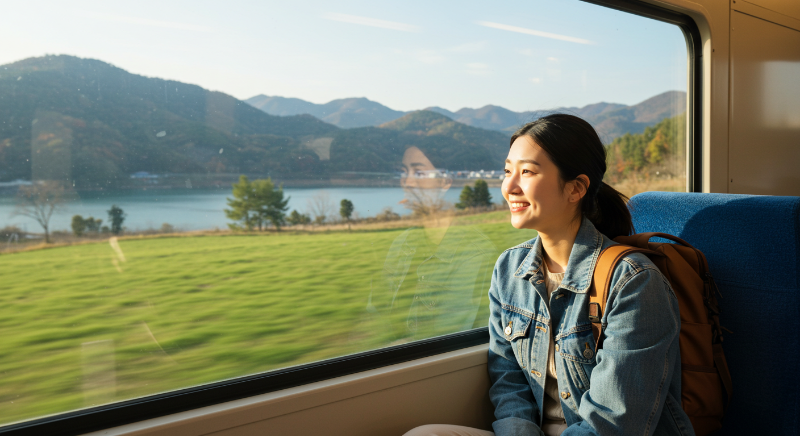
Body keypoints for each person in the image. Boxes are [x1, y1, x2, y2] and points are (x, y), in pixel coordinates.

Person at [404, 114, 694, 436]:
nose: (509, 187)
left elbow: (614, 422)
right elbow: (509, 382)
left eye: (527, 172)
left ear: (575, 188)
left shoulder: (633, 283)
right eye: (507, 171)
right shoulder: (509, 270)